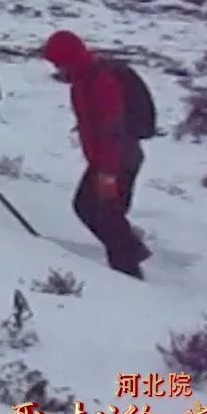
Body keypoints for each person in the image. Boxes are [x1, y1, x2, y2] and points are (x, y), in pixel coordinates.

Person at [41, 29, 152, 280]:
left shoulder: (100, 81)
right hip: (110, 159)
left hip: (117, 160)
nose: (57, 69)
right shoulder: (84, 78)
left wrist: (108, 174)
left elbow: (112, 129)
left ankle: (128, 275)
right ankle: (130, 255)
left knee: (103, 214)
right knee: (97, 211)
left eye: (58, 63)